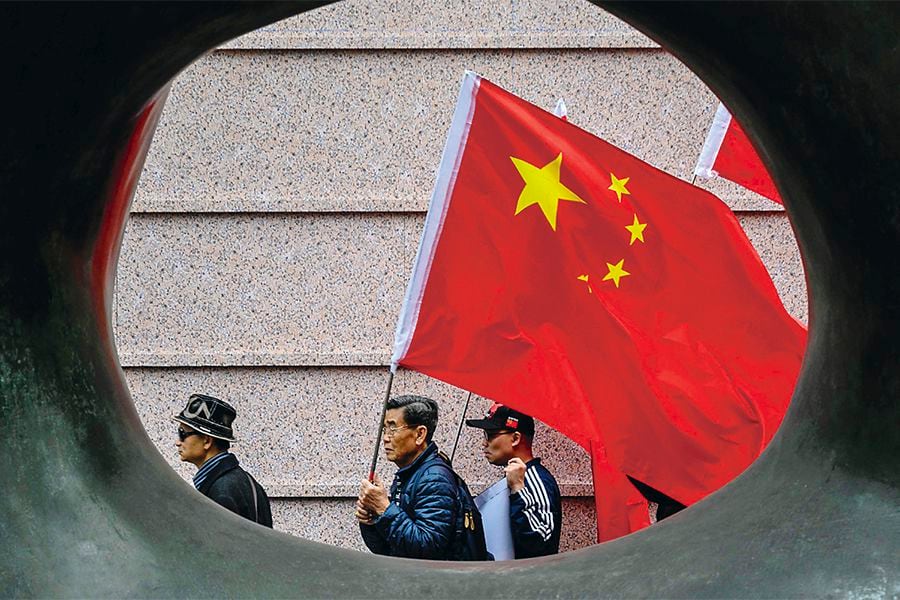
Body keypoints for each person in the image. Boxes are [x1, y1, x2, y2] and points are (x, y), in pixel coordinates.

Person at [356, 395, 463, 559]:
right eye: (384, 429)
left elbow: (428, 547)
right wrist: (372, 521)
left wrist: (384, 508)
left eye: (393, 429)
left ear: (420, 434)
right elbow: (389, 549)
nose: (385, 438)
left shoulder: (434, 478)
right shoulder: (409, 473)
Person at [466, 403, 562, 558]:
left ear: (516, 438)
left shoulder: (535, 479)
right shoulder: (519, 476)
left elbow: (541, 545)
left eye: (490, 435)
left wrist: (518, 489)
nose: (484, 443)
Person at [173, 393, 273, 528]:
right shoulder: (244, 481)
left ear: (207, 441)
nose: (177, 442)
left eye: (182, 434)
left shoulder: (222, 492)